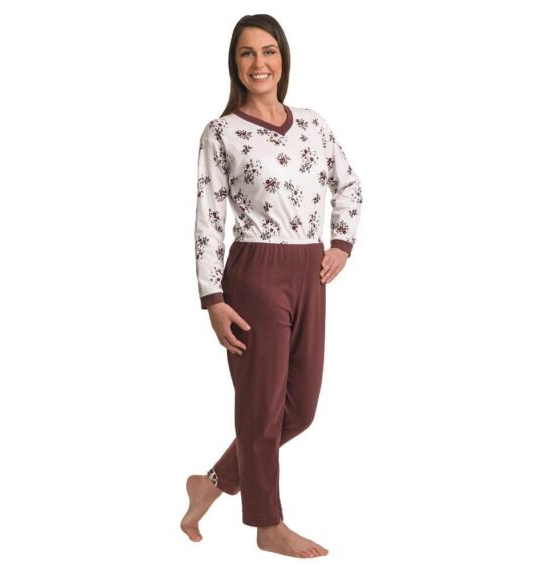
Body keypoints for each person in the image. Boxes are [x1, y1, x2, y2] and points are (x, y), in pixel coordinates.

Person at [181, 14, 362, 559]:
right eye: (246, 53)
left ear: (282, 59)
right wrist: (213, 299)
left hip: (309, 269)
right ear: (234, 64)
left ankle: (210, 483)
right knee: (260, 410)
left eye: (268, 51)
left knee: (299, 409)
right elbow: (209, 216)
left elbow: (349, 185)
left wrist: (340, 243)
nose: (259, 63)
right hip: (255, 273)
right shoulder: (221, 133)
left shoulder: (313, 125)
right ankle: (267, 524)